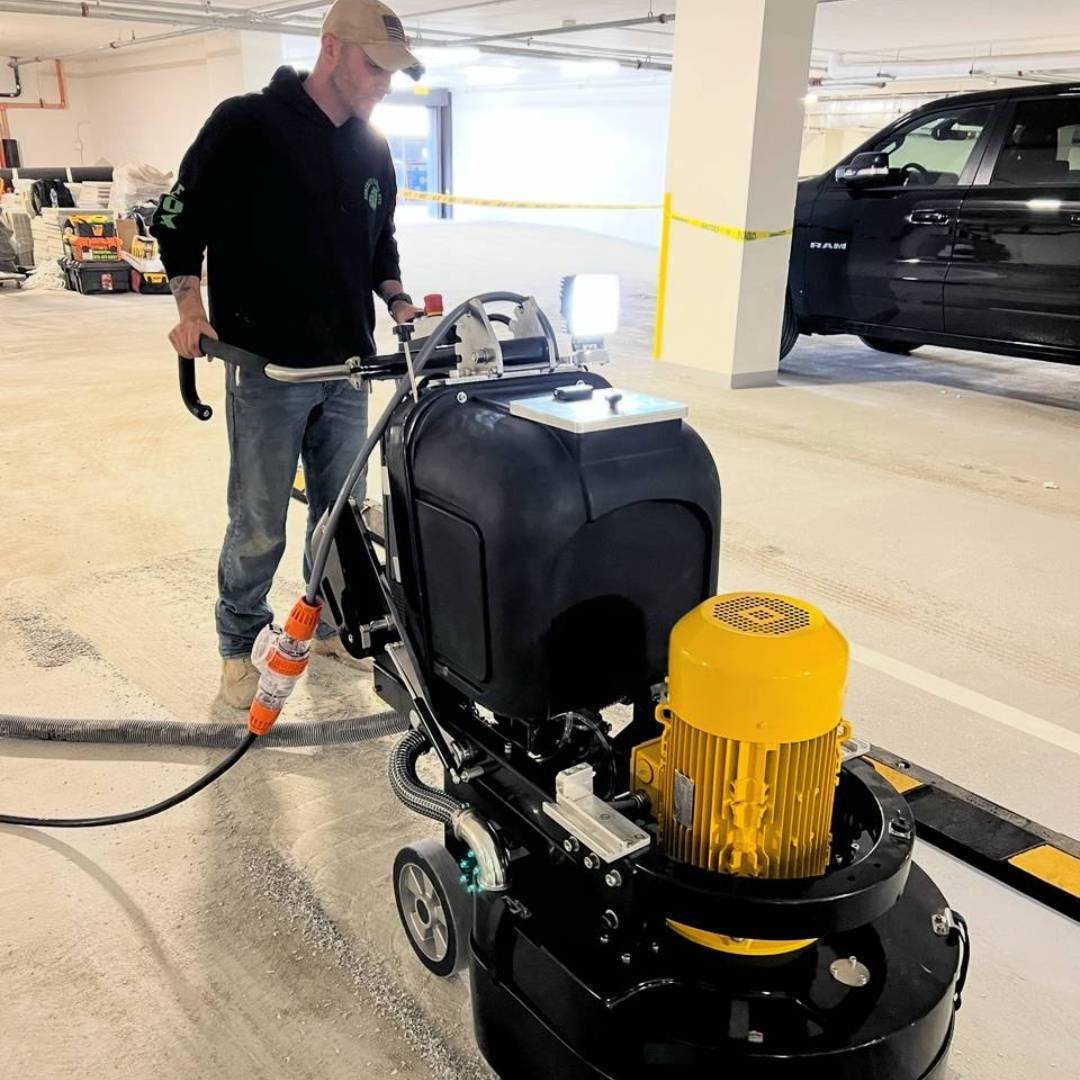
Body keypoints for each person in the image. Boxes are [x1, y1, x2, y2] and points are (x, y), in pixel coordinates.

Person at [153, 0, 423, 708]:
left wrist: (395, 298)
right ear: (331, 50)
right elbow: (179, 217)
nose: (384, 84)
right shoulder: (246, 124)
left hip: (346, 369)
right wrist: (190, 307)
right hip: (267, 369)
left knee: (339, 513)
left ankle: (329, 624)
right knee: (258, 521)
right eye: (375, 67)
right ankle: (238, 646)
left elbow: (380, 241)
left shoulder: (372, 146)